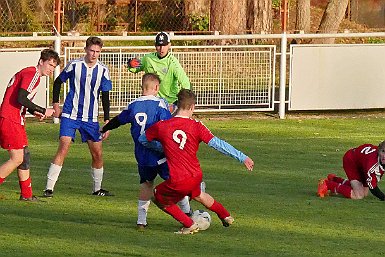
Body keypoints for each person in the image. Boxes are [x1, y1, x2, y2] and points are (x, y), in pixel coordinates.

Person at [138, 89, 254, 234]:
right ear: (192, 107)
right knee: (199, 195)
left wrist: (161, 147)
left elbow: (142, 139)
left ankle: (189, 224)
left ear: (177, 105)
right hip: (195, 176)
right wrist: (242, 157)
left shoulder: (162, 126)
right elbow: (219, 144)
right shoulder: (197, 126)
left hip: (178, 179)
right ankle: (225, 215)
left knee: (157, 197)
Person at [100, 73, 191, 230]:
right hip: (160, 154)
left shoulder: (133, 105)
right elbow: (168, 125)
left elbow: (118, 121)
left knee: (146, 184)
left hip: (142, 156)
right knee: (177, 181)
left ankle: (141, 221)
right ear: (156, 87)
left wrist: (104, 128)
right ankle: (188, 213)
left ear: (142, 87)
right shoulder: (160, 104)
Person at [43, 36, 113, 197]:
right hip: (70, 114)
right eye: (91, 50)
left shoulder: (103, 70)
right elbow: (58, 82)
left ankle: (97, 189)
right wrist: (55, 104)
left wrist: (107, 120)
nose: (94, 54)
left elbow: (105, 95)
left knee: (97, 153)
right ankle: (49, 188)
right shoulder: (75, 65)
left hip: (90, 118)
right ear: (85, 50)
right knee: (63, 147)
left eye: (97, 51)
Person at [0, 49, 60, 201]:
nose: (51, 69)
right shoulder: (33, 74)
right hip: (11, 119)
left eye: (54, 67)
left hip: (15, 119)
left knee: (24, 156)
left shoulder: (30, 74)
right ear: (41, 61)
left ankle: (26, 195)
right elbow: (21, 98)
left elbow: (18, 99)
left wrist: (34, 112)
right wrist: (42, 110)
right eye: (49, 65)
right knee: (17, 158)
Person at [127, 31, 190, 111]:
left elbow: (185, 83)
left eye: (164, 45)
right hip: (153, 102)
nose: (161, 48)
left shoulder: (173, 62)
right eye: (159, 45)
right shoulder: (148, 59)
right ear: (155, 46)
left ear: (169, 45)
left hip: (169, 103)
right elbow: (134, 69)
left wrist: (177, 104)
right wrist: (130, 63)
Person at [317, 141, 385, 200]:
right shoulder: (372, 166)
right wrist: (383, 197)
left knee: (364, 193)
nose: (384, 156)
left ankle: (334, 179)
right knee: (358, 195)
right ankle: (327, 184)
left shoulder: (374, 161)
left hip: (362, 163)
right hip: (352, 162)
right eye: (383, 151)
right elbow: (372, 187)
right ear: (378, 150)